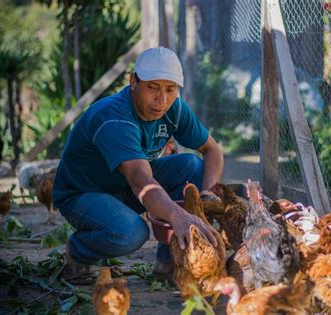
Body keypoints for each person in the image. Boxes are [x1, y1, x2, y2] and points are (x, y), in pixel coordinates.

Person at [53, 46, 223, 284]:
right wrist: (178, 215)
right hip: (83, 193)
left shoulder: (174, 109)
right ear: (133, 81)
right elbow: (140, 180)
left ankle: (170, 261)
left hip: (125, 188)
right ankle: (77, 251)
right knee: (130, 233)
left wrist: (207, 195)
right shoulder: (115, 117)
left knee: (192, 167)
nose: (161, 99)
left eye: (170, 89)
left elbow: (213, 150)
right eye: (152, 87)